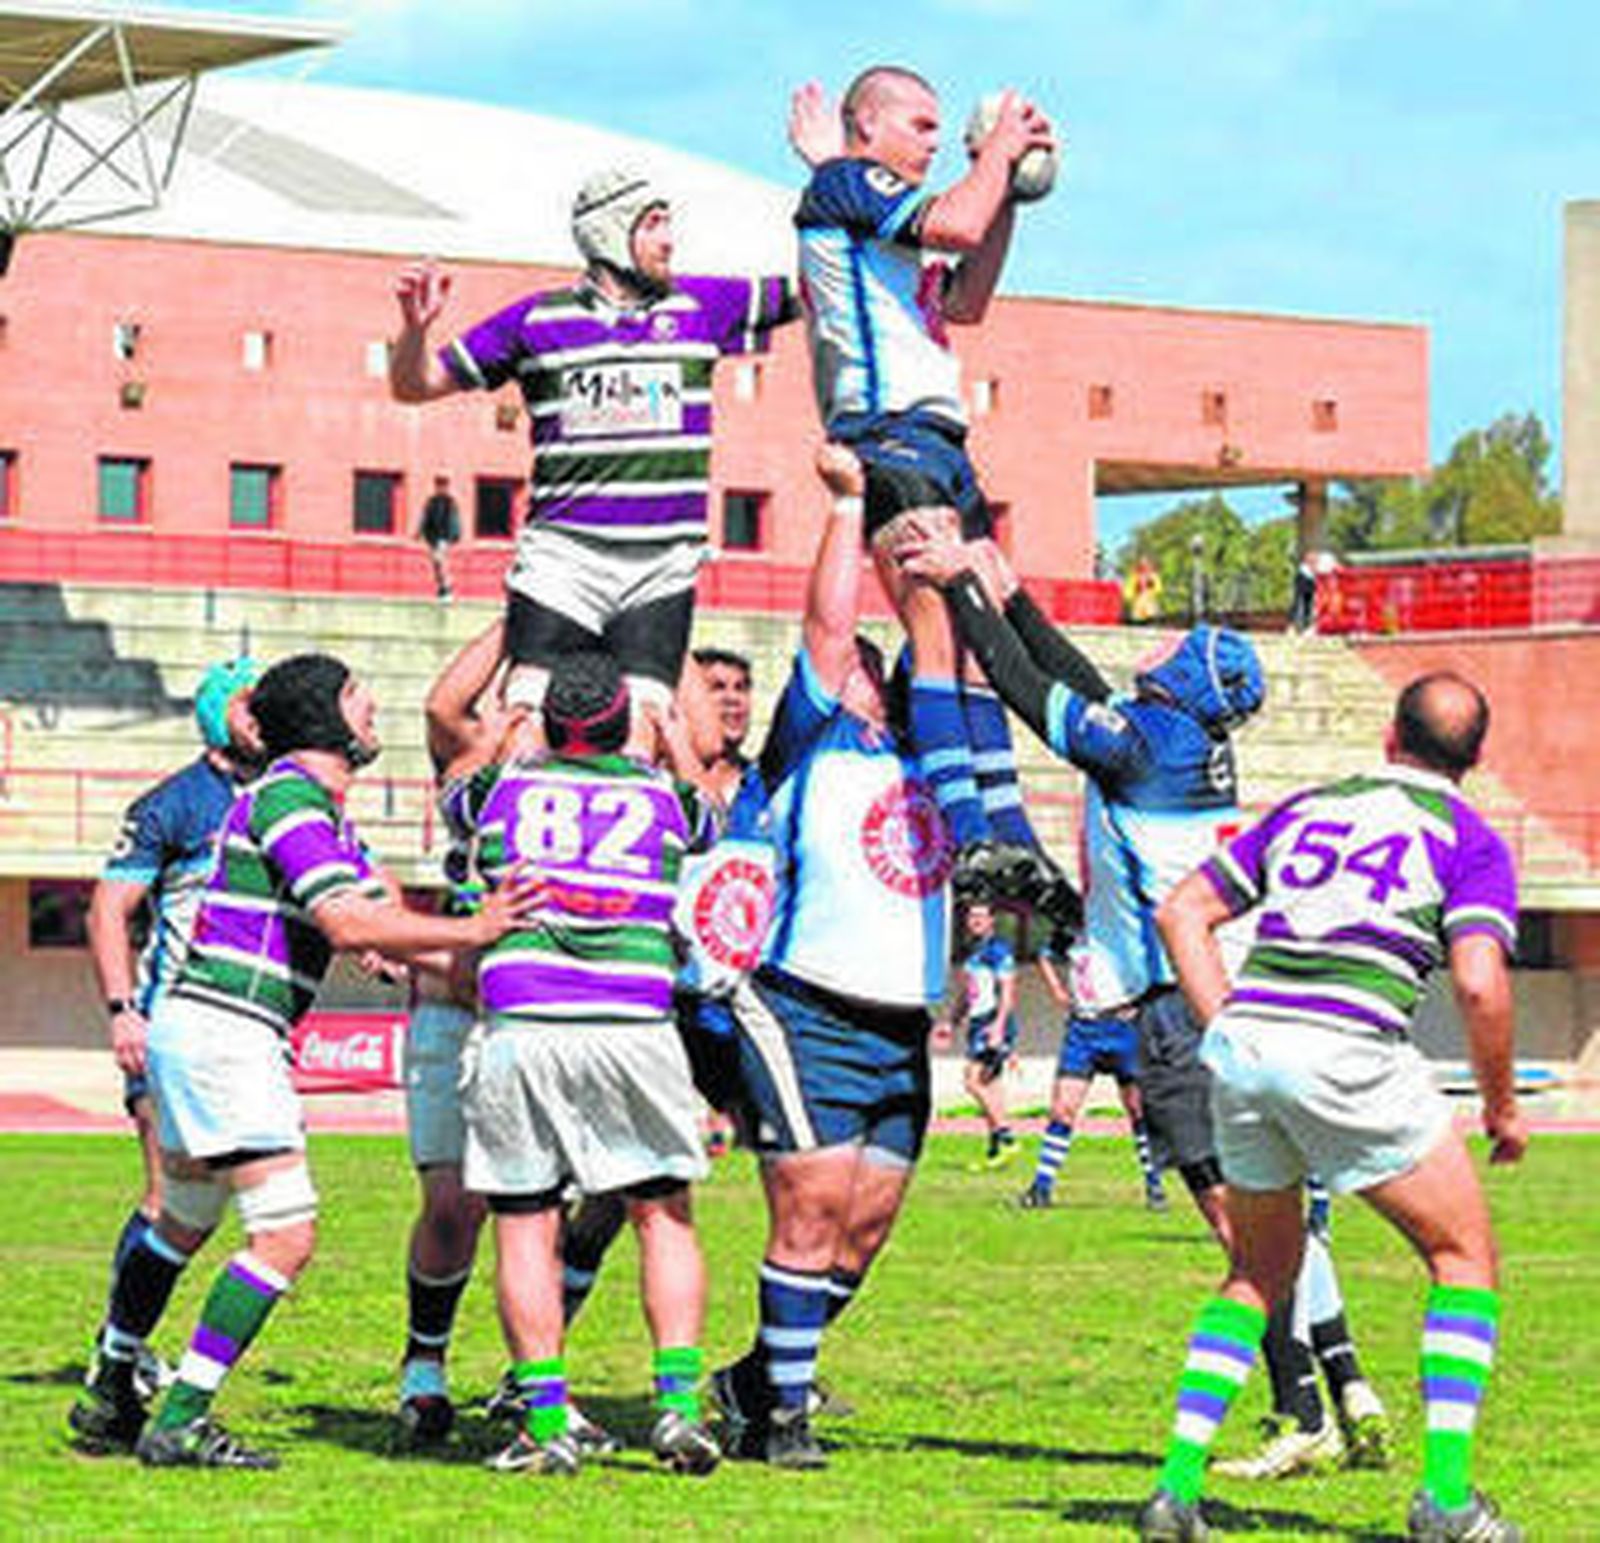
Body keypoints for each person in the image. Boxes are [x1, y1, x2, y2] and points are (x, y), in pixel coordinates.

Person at [78, 653, 544, 1471]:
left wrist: (469, 961)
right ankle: (181, 1414)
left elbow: (382, 921)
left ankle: (113, 1380)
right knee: (285, 1235)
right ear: (326, 716)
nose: (373, 714)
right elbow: (350, 924)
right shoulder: (293, 795)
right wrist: (475, 929)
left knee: (183, 1217)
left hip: (197, 1027)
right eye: (360, 699)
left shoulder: (313, 810)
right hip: (229, 1029)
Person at [1138, 672, 1527, 1543]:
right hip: (1348, 1050)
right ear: (1476, 758)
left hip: (1246, 1050)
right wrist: (1502, 1107)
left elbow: (1182, 912)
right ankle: (1447, 1501)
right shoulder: (1469, 838)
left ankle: (1175, 1491)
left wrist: (1229, 1029)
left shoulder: (1312, 805)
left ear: (1391, 736)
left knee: (1255, 1273)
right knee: (1465, 1257)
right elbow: (1477, 980)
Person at [902, 531, 1262, 1244]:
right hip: (1198, 991)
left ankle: (1314, 1353)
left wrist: (962, 585)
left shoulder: (1144, 744)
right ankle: (1325, 1355)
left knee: (1237, 1227)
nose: (1164, 644)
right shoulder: (1178, 737)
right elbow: (1083, 684)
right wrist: (1012, 599)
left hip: (1175, 1008)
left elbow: (1024, 687)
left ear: (1188, 677)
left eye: (1181, 645)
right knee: (1249, 1221)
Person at [711, 445, 953, 1470]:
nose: (858, 660)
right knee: (809, 1213)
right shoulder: (807, 739)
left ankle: (751, 1379)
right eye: (851, 656)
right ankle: (786, 1420)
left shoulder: (929, 748)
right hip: (803, 1005)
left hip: (901, 1026)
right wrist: (854, 508)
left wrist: (931, 548)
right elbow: (823, 625)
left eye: (870, 656)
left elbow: (941, 649)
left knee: (865, 1231)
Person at [790, 69, 1069, 913]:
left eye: (943, 133)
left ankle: (1011, 839)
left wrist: (1009, 194)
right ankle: (970, 830)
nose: (932, 143)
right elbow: (955, 216)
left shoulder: (882, 221)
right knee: (937, 628)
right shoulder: (846, 182)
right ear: (864, 128)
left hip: (941, 439)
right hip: (890, 432)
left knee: (978, 636)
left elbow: (968, 296)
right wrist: (998, 153)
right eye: (919, 125)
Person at [390, 171, 800, 738]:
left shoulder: (702, 304)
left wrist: (837, 181)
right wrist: (414, 331)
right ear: (609, 231)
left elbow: (816, 287)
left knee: (647, 728)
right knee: (525, 721)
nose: (669, 239)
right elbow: (416, 385)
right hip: (563, 561)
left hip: (661, 565)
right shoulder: (536, 319)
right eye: (654, 224)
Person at [447, 648, 724, 1479]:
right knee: (662, 1213)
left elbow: (458, 796)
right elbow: (712, 814)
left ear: (550, 723)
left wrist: (500, 734)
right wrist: (674, 739)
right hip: (633, 1021)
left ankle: (545, 1420)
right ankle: (676, 1410)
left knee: (526, 1222)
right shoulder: (662, 798)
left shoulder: (502, 791)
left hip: (525, 1018)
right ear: (620, 721)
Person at [69, 658, 260, 1451]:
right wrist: (121, 1012)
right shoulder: (174, 804)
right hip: (171, 1027)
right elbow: (109, 909)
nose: (265, 715)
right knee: (167, 1200)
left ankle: (121, 1351)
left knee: (193, 1209)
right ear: (218, 715)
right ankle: (118, 1356)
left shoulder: (280, 799)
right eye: (250, 704)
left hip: (240, 1035)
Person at [1019, 939, 1168, 1212]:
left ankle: (1154, 1184)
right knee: (1062, 1109)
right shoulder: (1070, 928)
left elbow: (1158, 962)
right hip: (1083, 1030)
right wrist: (1057, 990)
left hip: (1123, 1028)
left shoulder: (1122, 926)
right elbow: (1044, 954)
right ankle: (1041, 1187)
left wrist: (1143, 1003)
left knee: (1138, 1110)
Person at [952, 899, 1021, 1168]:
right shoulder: (974, 951)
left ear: (992, 920)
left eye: (981, 916)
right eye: (972, 917)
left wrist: (999, 1027)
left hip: (991, 1022)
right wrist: (952, 1021)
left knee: (973, 1081)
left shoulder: (998, 950)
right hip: (977, 1022)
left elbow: (1008, 991)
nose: (976, 921)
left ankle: (1008, 1137)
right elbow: (967, 993)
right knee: (990, 1085)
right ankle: (996, 1150)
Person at [691, 645, 754, 801]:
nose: (733, 698)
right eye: (717, 687)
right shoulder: (660, 783)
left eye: (741, 688)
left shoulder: (766, 784)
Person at [419, 475, 461, 600]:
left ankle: (447, 587)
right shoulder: (431, 501)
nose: (441, 488)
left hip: (444, 537)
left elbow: (454, 519)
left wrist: (455, 535)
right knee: (436, 563)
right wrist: (420, 532)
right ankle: (442, 587)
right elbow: (425, 517)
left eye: (443, 486)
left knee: (440, 560)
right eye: (438, 485)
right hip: (433, 537)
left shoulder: (450, 502)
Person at [1125, 555, 1162, 625]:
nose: (1144, 567)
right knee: (1138, 617)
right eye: (1142, 565)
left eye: (1146, 564)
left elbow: (1158, 588)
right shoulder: (1135, 576)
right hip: (1138, 600)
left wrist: (1150, 585)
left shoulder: (1153, 575)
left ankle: (1150, 622)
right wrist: (1129, 595)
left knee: (1150, 613)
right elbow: (1129, 588)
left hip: (1148, 599)